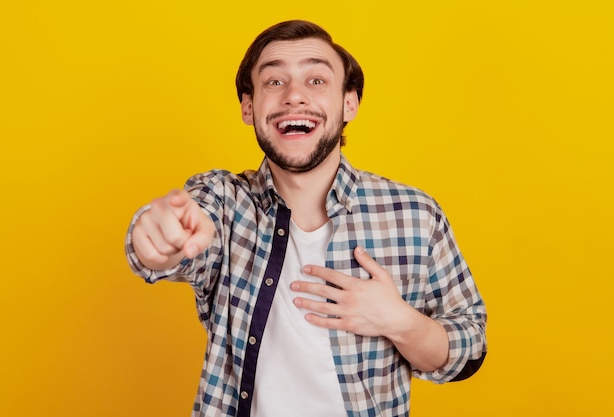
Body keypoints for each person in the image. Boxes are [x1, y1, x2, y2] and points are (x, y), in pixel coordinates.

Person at [125, 19, 487, 417]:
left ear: (349, 102)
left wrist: (400, 321)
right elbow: (172, 243)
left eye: (316, 80)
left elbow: (468, 351)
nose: (294, 96)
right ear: (249, 107)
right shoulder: (224, 203)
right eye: (274, 82)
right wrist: (157, 240)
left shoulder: (415, 215)